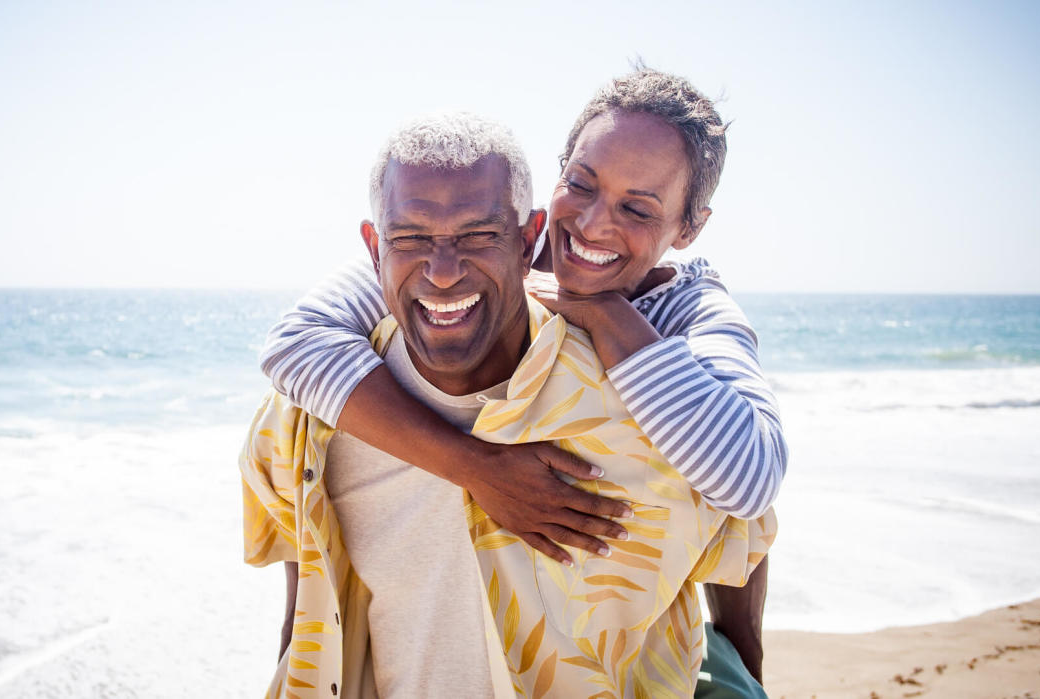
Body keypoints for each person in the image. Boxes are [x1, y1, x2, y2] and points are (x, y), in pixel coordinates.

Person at [260, 68, 785, 683]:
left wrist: (602, 311)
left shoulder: (688, 313)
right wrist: (476, 468)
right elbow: (295, 345)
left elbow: (749, 479)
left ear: (688, 227)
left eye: (637, 209)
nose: (591, 225)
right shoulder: (486, 251)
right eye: (581, 185)